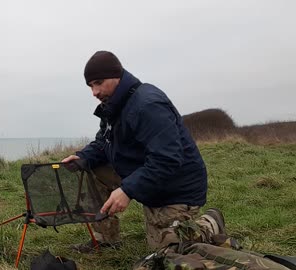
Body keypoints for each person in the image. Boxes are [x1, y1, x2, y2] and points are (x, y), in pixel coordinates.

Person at [62, 51, 226, 252]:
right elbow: (104, 142)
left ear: (117, 76)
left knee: (167, 255)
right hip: (147, 177)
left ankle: (209, 224)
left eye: (98, 82)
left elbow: (167, 159)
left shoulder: (148, 104)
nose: (94, 92)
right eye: (90, 86)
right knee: (90, 167)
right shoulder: (112, 105)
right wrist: (82, 157)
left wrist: (127, 190)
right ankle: (105, 239)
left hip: (176, 189)